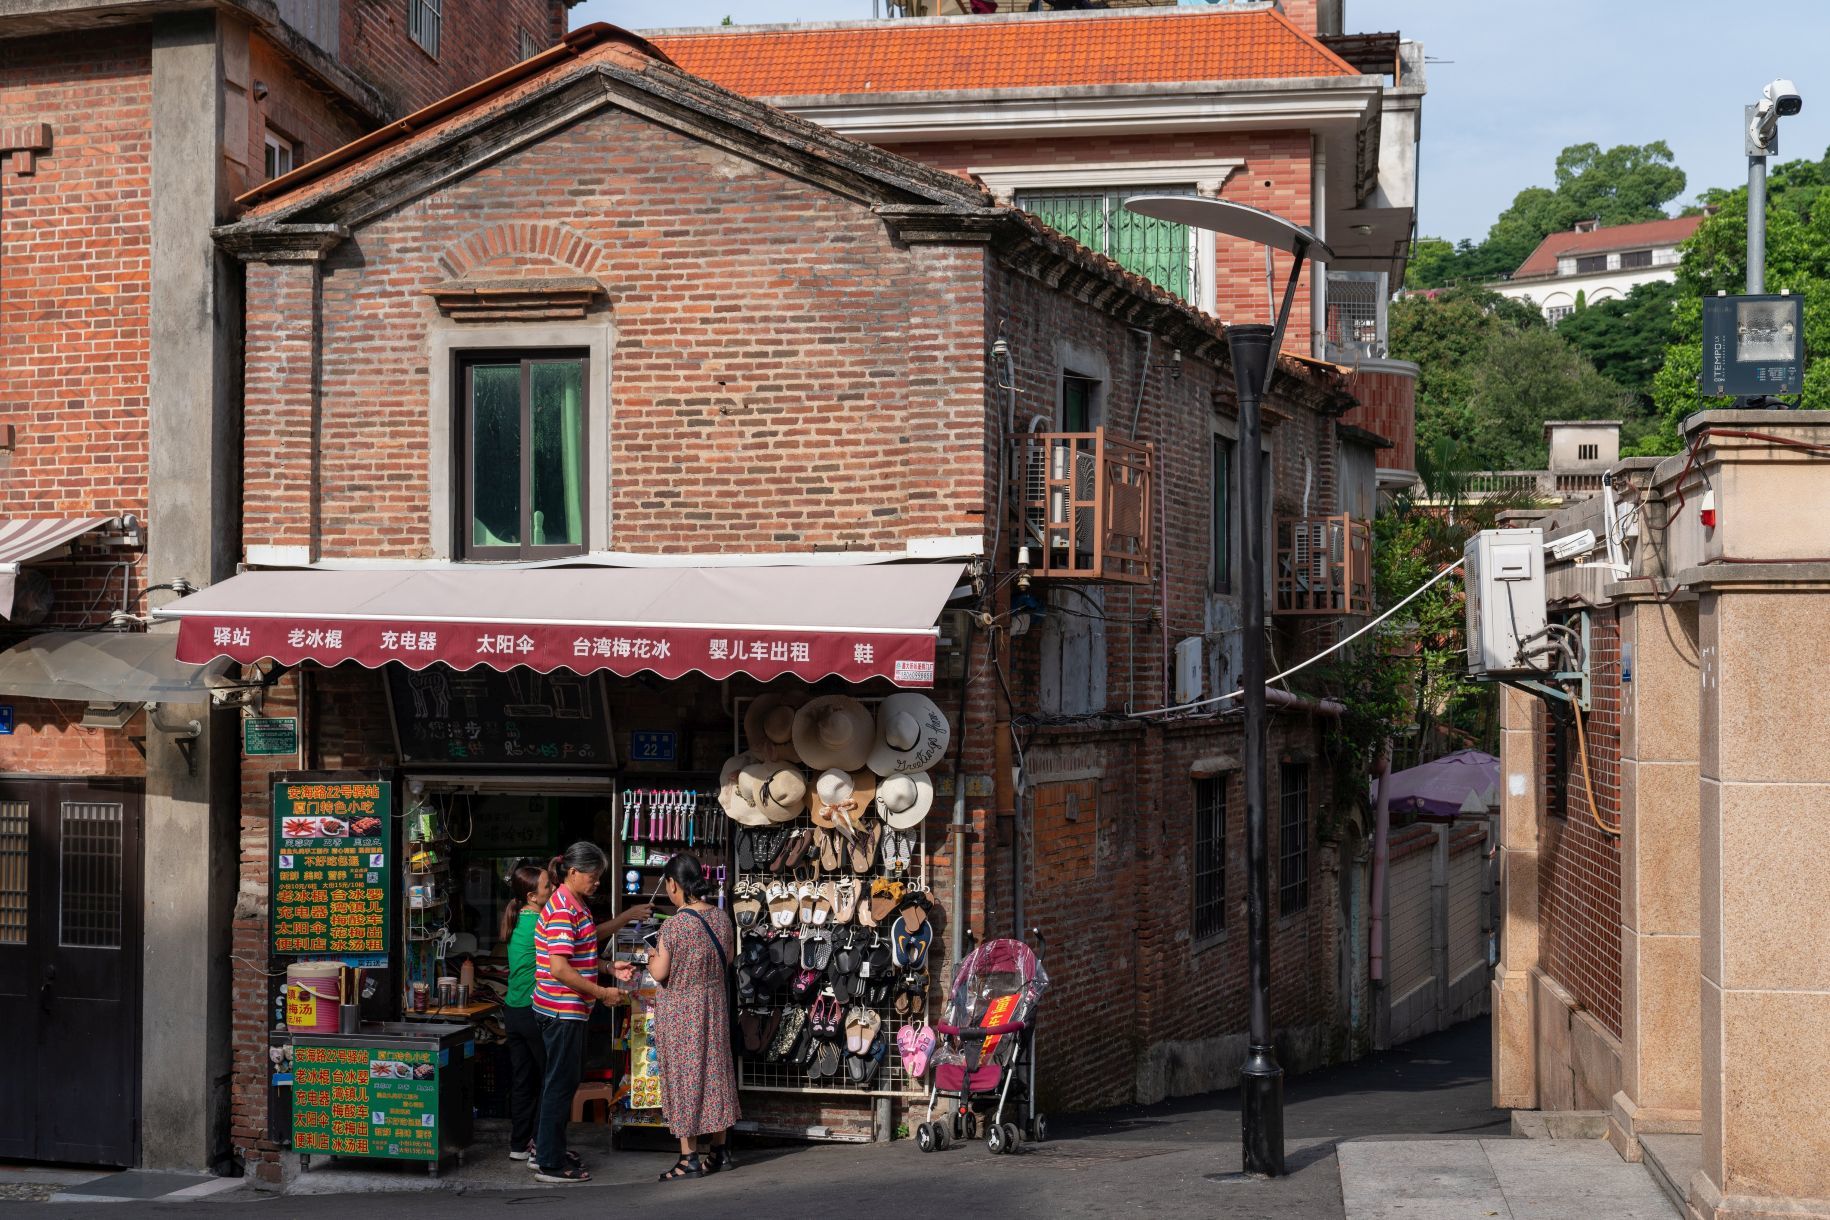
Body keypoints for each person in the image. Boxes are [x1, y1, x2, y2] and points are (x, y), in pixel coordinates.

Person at [500, 862, 653, 1164]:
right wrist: (624, 919)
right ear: (532, 896)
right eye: (547, 886)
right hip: (540, 1009)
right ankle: (543, 1152)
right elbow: (581, 944)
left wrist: (607, 967)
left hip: (514, 1009)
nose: (553, 888)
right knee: (554, 1083)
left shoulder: (522, 918)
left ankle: (521, 1144)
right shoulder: (548, 916)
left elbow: (577, 947)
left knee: (526, 1081)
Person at [531, 841, 635, 1184]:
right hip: (562, 1010)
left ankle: (549, 1149)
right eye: (594, 875)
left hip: (567, 1009)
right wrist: (602, 992)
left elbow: (581, 951)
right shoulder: (564, 908)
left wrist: (606, 967)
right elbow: (560, 968)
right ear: (573, 873)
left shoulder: (575, 904)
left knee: (561, 1083)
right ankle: (548, 1161)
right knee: (560, 1085)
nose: (598, 882)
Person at [646, 853, 741, 1181]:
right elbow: (728, 959)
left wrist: (650, 958)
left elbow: (660, 972)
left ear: (673, 884)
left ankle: (688, 1159)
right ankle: (719, 1151)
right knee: (715, 1075)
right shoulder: (721, 919)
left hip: (680, 1014)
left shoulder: (673, 926)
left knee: (685, 1079)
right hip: (714, 1008)